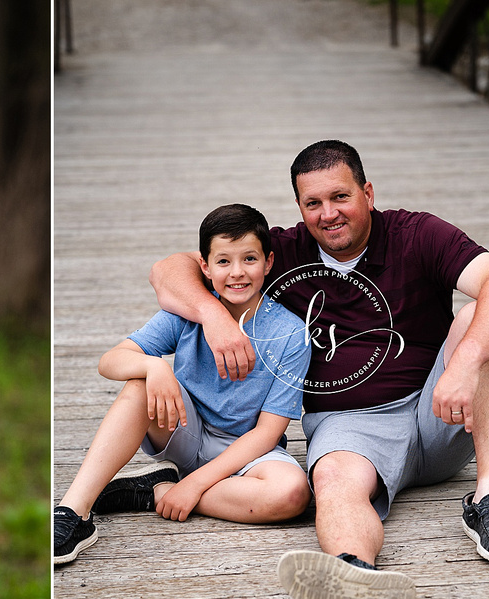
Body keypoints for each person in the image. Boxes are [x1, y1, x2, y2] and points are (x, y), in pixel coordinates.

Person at [150, 140, 489, 599]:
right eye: (313, 203)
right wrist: (213, 315)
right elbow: (170, 269)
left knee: (486, 316)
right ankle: (356, 574)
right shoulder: (282, 253)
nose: (328, 214)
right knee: (332, 478)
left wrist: (463, 363)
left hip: (442, 407)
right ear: (299, 207)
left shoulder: (418, 233)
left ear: (368, 193)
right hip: (351, 423)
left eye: (340, 197)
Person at [55, 204, 312, 565]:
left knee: (293, 494)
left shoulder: (291, 333)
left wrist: (191, 486)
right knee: (140, 383)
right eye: (223, 262)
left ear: (268, 263)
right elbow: (109, 361)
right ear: (204, 267)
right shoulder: (187, 313)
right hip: (183, 430)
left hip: (246, 450)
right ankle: (73, 513)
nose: (237, 273)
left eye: (249, 259)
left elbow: (267, 434)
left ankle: (158, 490)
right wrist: (153, 367)